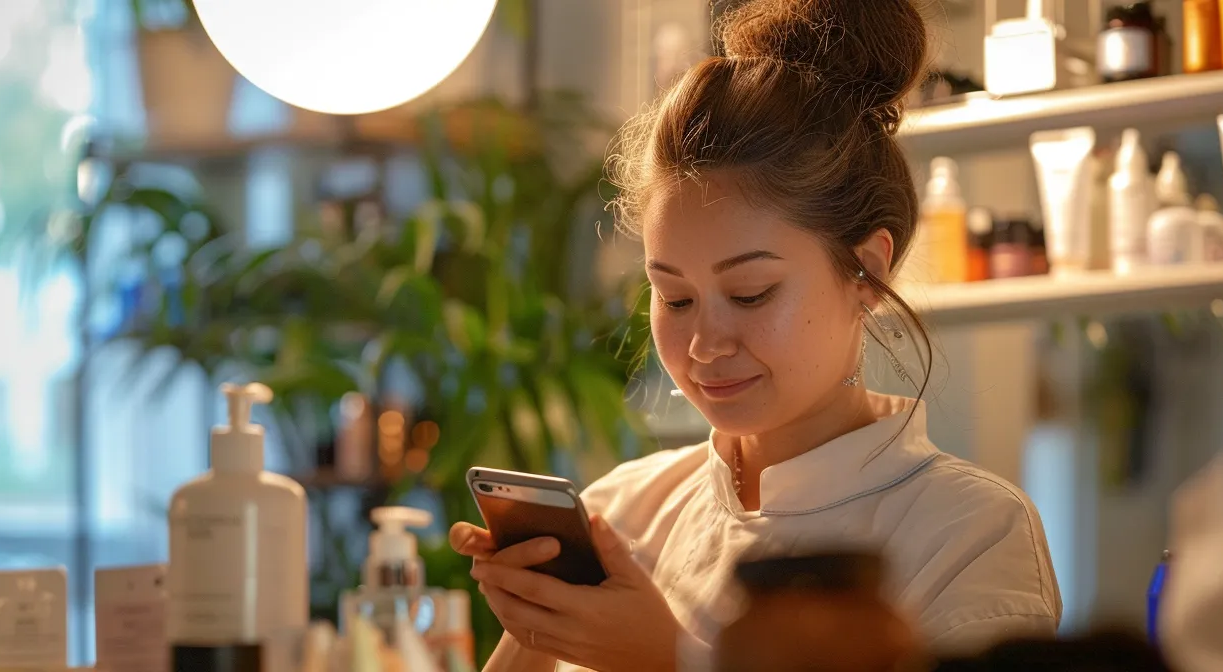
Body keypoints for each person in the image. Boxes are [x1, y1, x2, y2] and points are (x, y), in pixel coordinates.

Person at [447, 0, 1062, 670]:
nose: (705, 343)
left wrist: (670, 659)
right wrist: (534, 634)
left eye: (750, 294)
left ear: (867, 271)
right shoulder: (625, 512)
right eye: (674, 296)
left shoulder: (968, 531)